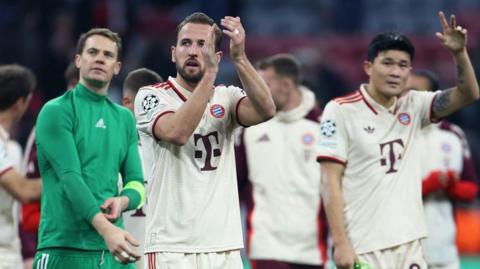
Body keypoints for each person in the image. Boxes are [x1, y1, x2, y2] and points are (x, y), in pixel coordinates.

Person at [317, 11, 479, 269]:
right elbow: (329, 181)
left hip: (409, 245)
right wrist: (341, 243)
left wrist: (459, 54)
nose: (395, 72)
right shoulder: (340, 110)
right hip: (363, 244)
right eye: (388, 63)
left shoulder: (413, 106)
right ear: (368, 67)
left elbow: (469, 93)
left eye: (403, 65)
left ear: (409, 71)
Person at [135, 12, 275, 269]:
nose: (193, 51)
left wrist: (240, 58)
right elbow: (177, 132)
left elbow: (266, 110)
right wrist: (211, 73)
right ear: (173, 52)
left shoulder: (227, 97)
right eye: (186, 43)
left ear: (217, 55)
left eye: (203, 45)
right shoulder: (151, 96)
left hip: (224, 246)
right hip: (171, 246)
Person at [34, 28, 145, 268]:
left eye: (107, 55)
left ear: (116, 67)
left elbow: (137, 182)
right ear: (78, 60)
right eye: (92, 52)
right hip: (64, 248)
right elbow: (70, 177)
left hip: (114, 250)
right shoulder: (56, 111)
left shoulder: (125, 119)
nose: (99, 58)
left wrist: (124, 201)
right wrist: (107, 230)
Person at [235, 54, 327, 269]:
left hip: (312, 249)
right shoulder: (247, 129)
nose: (256, 91)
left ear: (286, 85)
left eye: (264, 84)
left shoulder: (325, 127)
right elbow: (234, 187)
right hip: (265, 247)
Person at [406, 70, 478, 269]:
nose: (409, 98)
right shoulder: (393, 134)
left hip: (444, 249)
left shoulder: (453, 135)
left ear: (433, 98)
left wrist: (452, 186)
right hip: (403, 249)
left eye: (416, 92)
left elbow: (471, 189)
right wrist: (429, 185)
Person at [21, 61, 80, 269]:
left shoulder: (106, 124)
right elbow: (26, 201)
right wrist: (29, 251)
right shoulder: (48, 123)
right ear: (73, 85)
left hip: (89, 245)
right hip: (50, 242)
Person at [0, 64, 42, 268]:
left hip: (11, 250)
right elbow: (23, 190)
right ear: (21, 103)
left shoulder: (13, 148)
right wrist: (72, 178)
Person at [121, 67, 163, 269]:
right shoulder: (110, 148)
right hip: (118, 258)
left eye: (156, 103)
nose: (153, 111)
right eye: (146, 104)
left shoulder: (169, 151)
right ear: (127, 103)